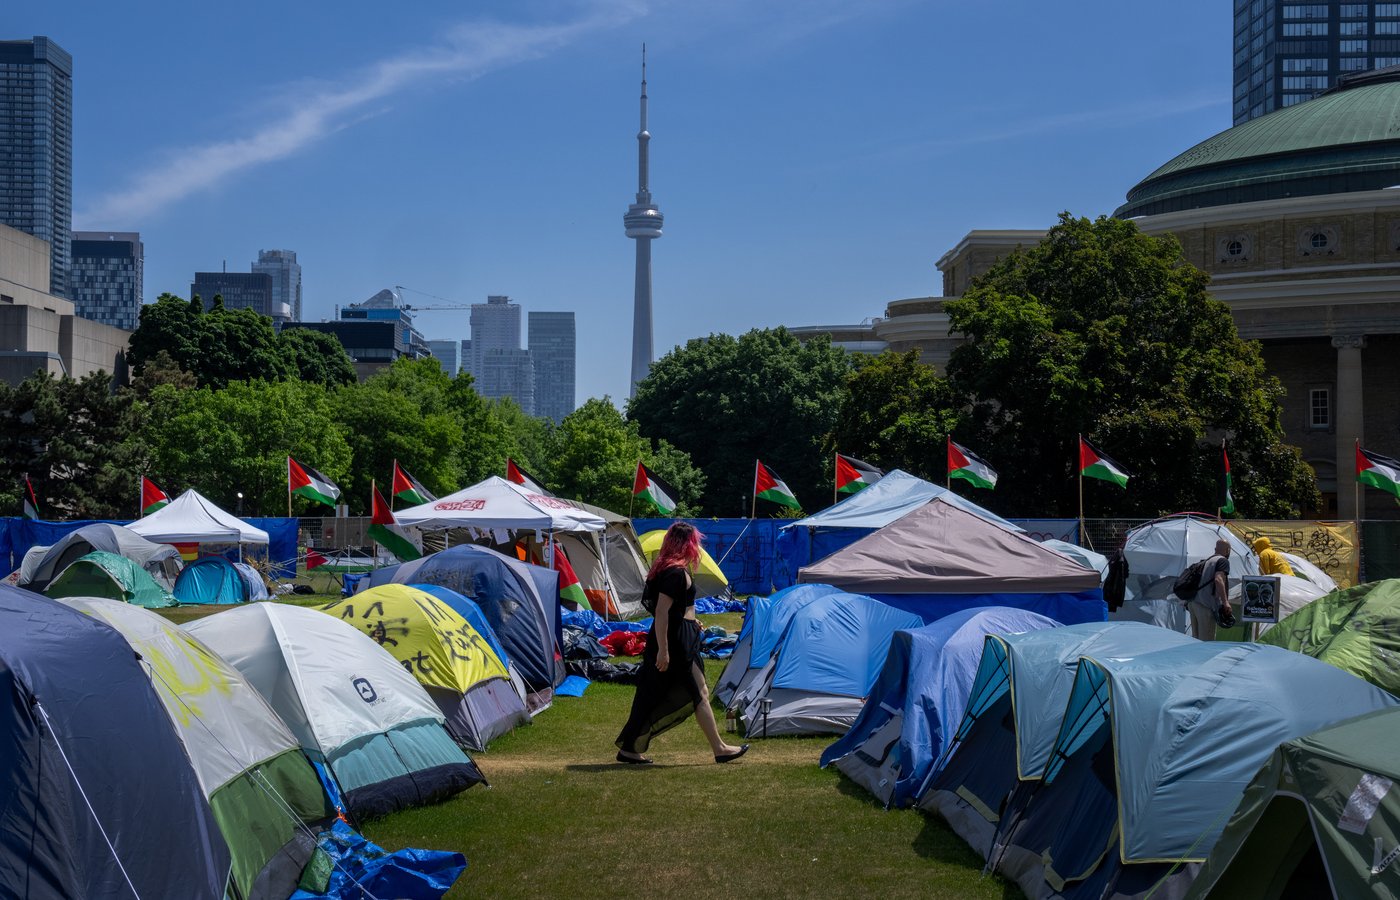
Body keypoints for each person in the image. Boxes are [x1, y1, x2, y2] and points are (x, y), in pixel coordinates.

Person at [615, 522, 749, 765]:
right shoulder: (675, 573)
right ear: (687, 544)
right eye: (695, 542)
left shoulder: (667, 569)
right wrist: (664, 651)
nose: (697, 547)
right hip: (675, 641)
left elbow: (672, 609)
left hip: (680, 635)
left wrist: (690, 620)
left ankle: (629, 749)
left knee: (663, 692)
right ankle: (719, 748)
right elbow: (662, 612)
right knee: (696, 692)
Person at [1188, 539, 1234, 641]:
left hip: (1193, 603)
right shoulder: (1223, 561)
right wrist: (1226, 602)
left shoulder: (1206, 561)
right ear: (1228, 550)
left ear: (1215, 549)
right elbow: (1218, 579)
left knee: (1196, 639)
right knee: (1206, 641)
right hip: (1205, 605)